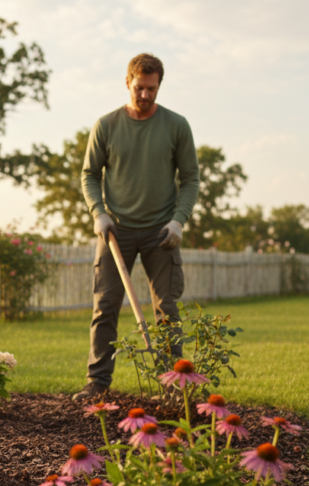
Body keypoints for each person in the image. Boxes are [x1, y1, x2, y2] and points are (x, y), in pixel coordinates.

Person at [74, 53, 200, 400]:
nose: (145, 95)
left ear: (160, 85)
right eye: (139, 88)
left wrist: (178, 221)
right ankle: (98, 383)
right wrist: (99, 213)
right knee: (106, 306)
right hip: (117, 231)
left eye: (152, 88)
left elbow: (190, 179)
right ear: (128, 82)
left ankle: (174, 386)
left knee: (167, 310)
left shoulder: (176, 125)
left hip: (162, 232)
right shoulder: (107, 125)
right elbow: (89, 174)